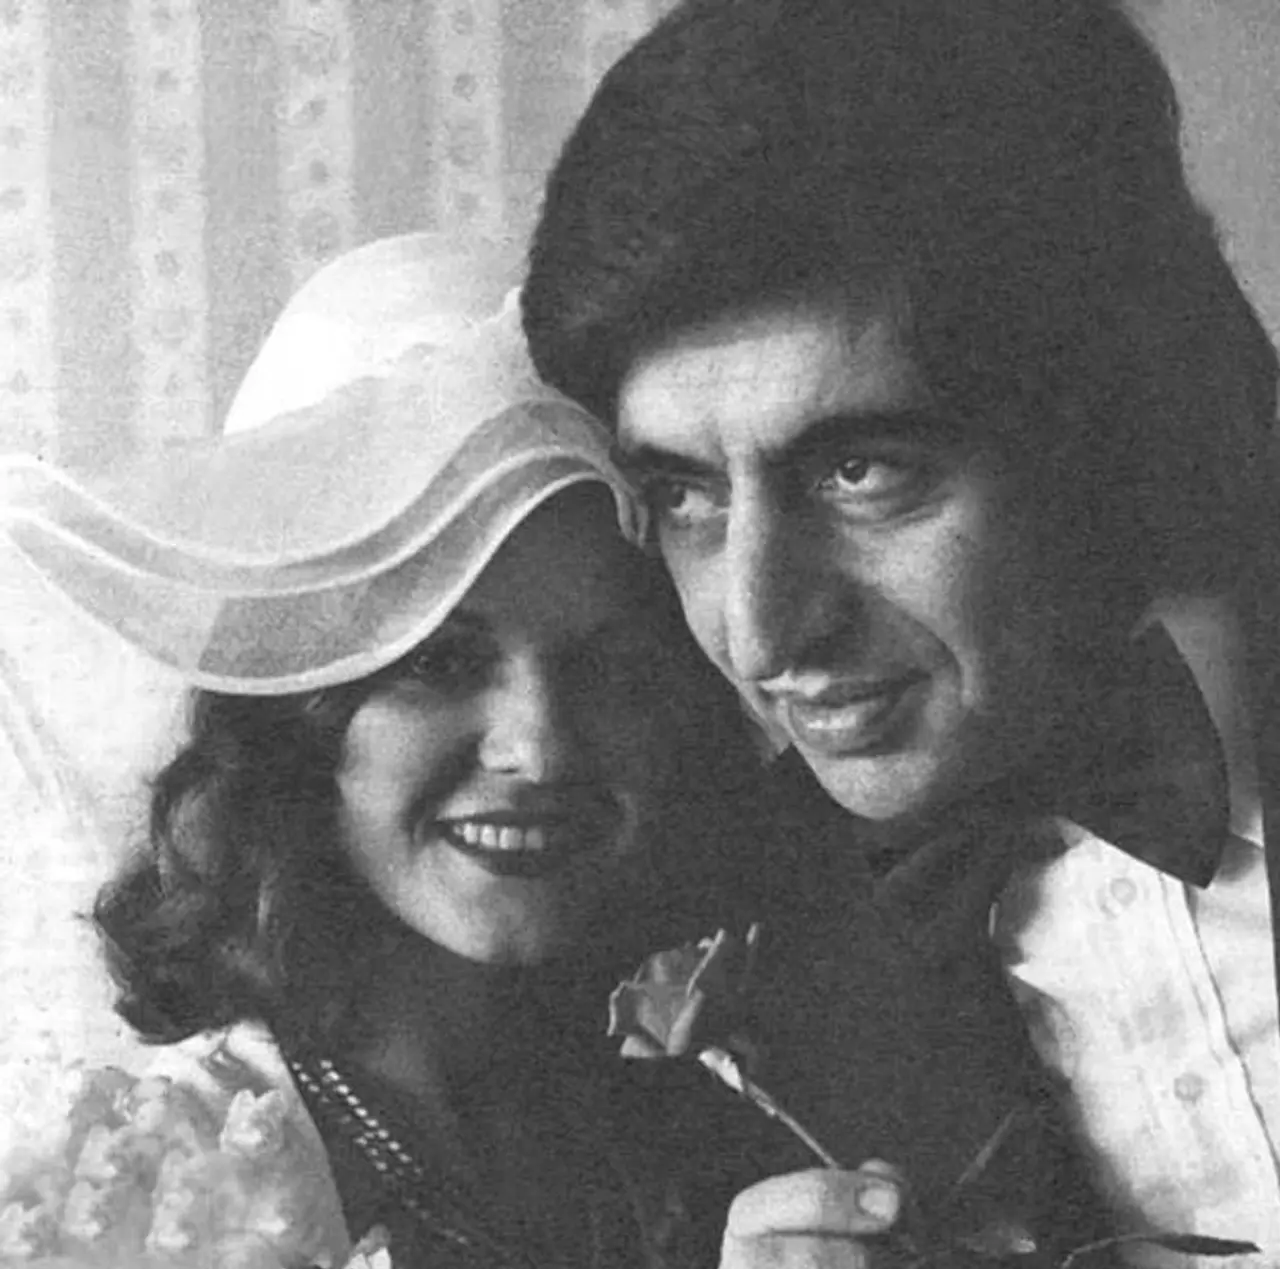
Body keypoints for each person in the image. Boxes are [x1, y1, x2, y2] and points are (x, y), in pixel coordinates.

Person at [521, 0, 1280, 1265]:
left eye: (859, 472)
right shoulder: (735, 950)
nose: (760, 631)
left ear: (1099, 434)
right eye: (685, 496)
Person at [0, 235, 771, 1268]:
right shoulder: (158, 1183)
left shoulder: (709, 1115)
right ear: (292, 712)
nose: (540, 747)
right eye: (441, 662)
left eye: (613, 666)